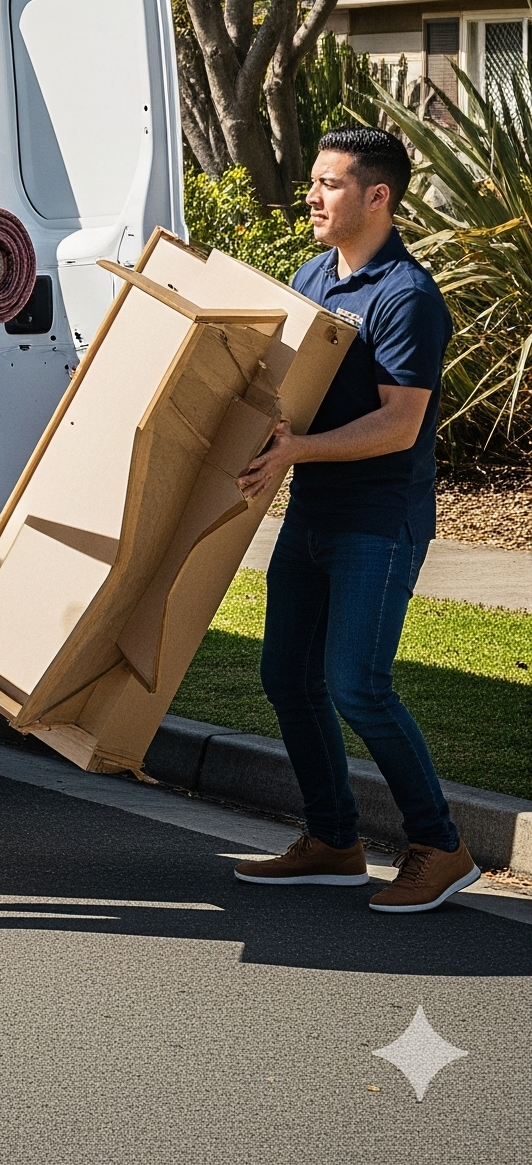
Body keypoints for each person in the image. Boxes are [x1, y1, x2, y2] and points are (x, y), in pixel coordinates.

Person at [232, 126, 478, 913]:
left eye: (329, 184)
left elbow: (398, 424)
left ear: (379, 196)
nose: (311, 195)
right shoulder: (313, 274)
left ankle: (441, 846)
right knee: (284, 678)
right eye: (314, 181)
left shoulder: (407, 297)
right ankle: (334, 840)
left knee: (358, 687)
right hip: (312, 513)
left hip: (378, 520)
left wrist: (297, 449)